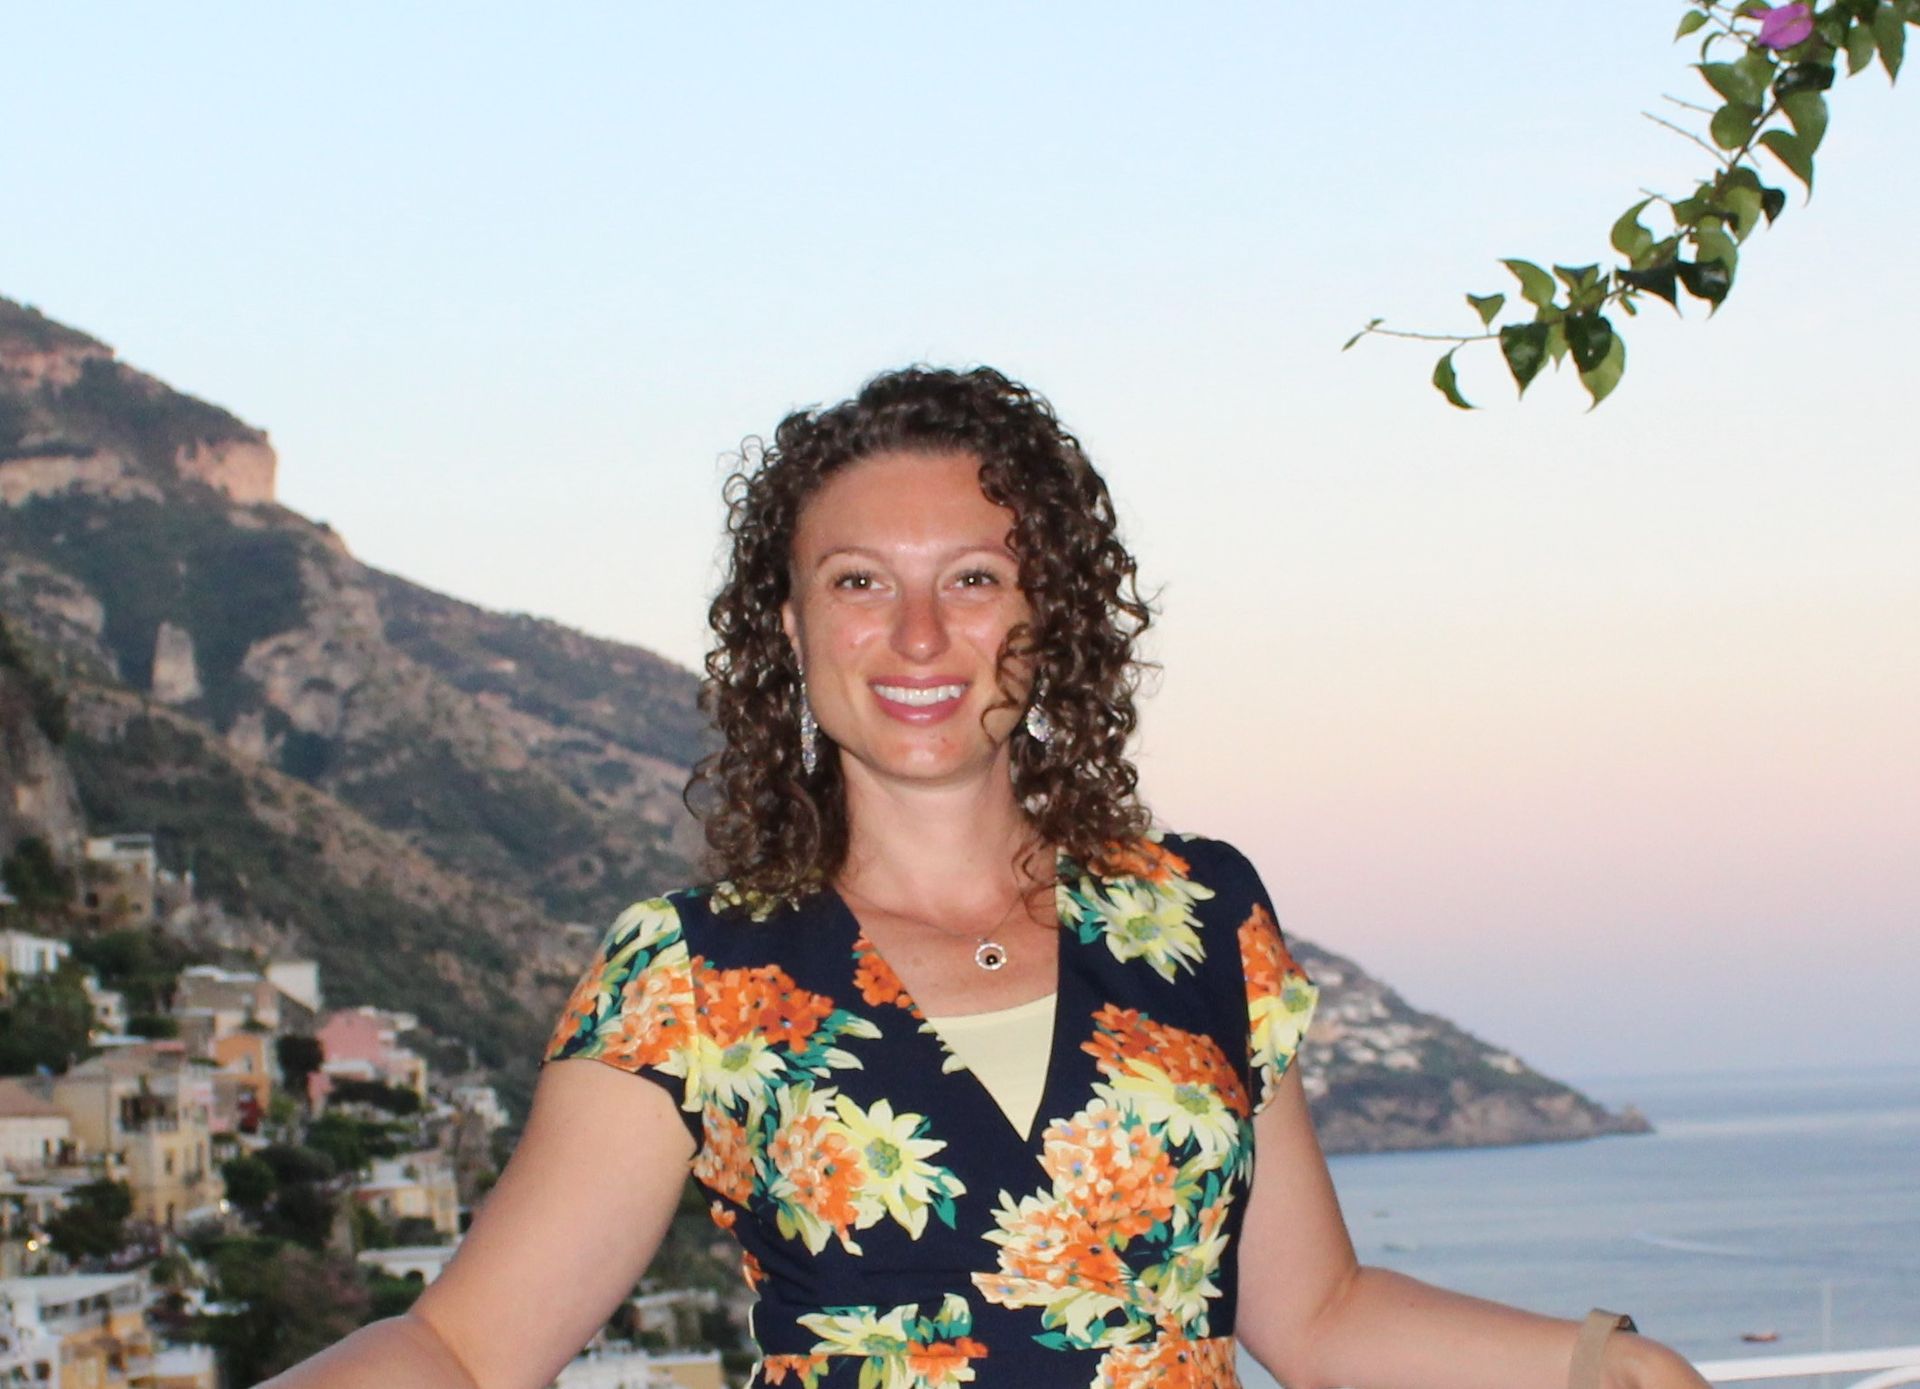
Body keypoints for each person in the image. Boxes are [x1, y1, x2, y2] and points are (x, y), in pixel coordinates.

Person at [263, 367, 1709, 1389]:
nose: (915, 637)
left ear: (1045, 615)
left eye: (971, 578)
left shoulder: (1201, 919)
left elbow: (1315, 1315)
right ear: (790, 622)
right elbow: (465, 1349)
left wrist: (1597, 1359)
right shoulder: (697, 975)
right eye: (857, 581)